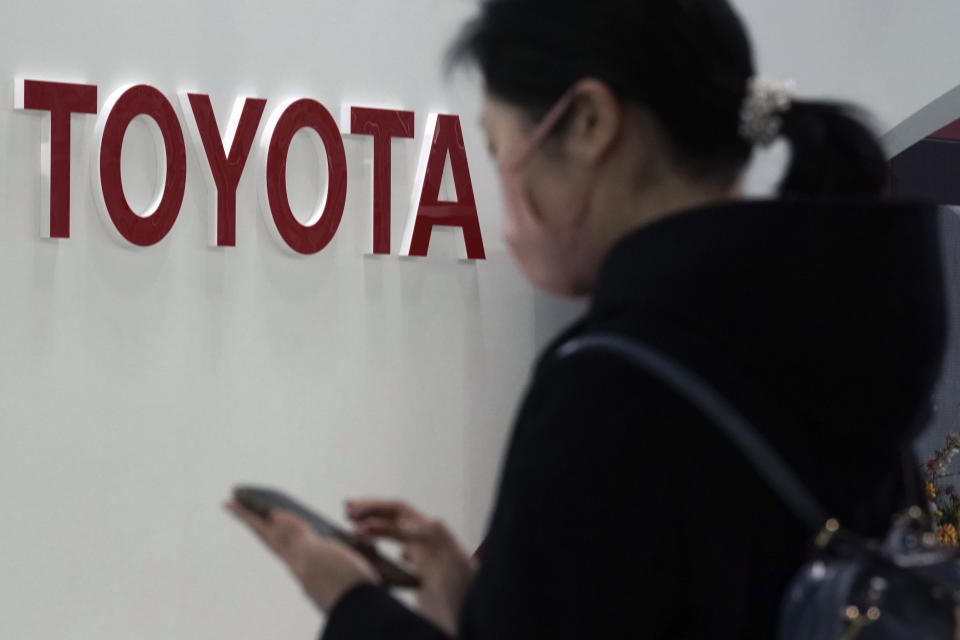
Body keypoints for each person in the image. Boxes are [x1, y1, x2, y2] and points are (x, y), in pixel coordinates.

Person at [226, 0, 947, 637]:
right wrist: (477, 598)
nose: (504, 176)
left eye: (498, 145)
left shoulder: (610, 389)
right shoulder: (848, 330)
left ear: (591, 122)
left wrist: (350, 600)